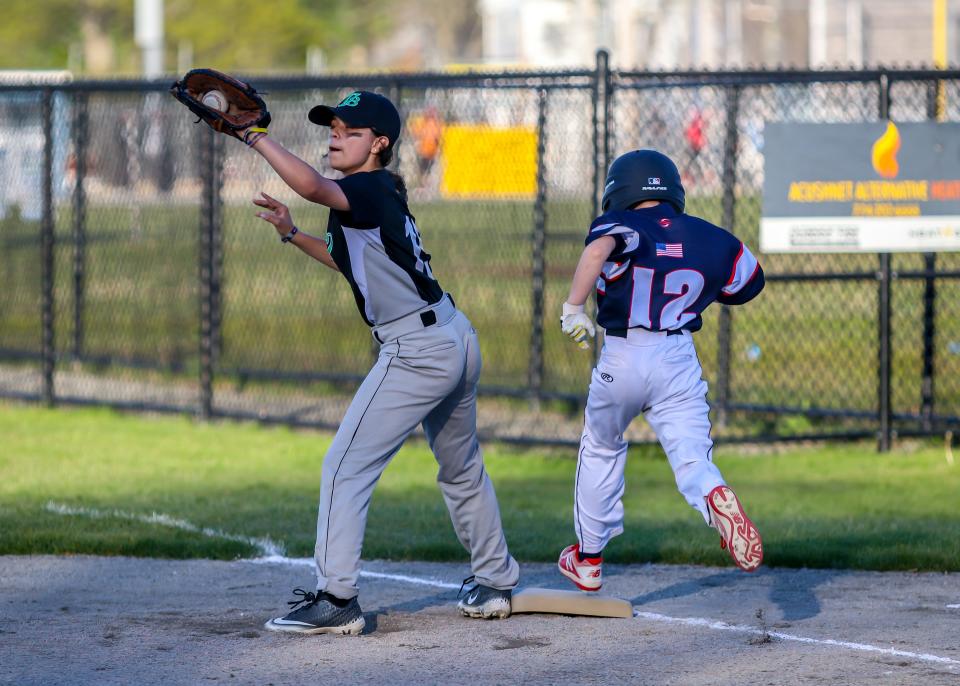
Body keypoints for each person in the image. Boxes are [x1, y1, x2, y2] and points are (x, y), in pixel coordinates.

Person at [238, 91, 519, 634]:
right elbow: (347, 259)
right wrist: (292, 234)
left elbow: (313, 186)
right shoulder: (374, 194)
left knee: (344, 465)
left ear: (380, 144)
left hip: (417, 350)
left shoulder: (363, 187)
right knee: (461, 468)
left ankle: (336, 598)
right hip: (453, 336)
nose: (335, 135)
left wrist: (254, 137)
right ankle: (494, 582)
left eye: (351, 129)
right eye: (334, 127)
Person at [556, 149, 764, 592]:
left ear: (619, 191)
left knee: (601, 445)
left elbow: (598, 249)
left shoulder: (623, 225)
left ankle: (589, 558)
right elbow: (748, 281)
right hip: (678, 356)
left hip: (625, 353)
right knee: (692, 457)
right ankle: (712, 496)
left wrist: (574, 306)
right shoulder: (710, 235)